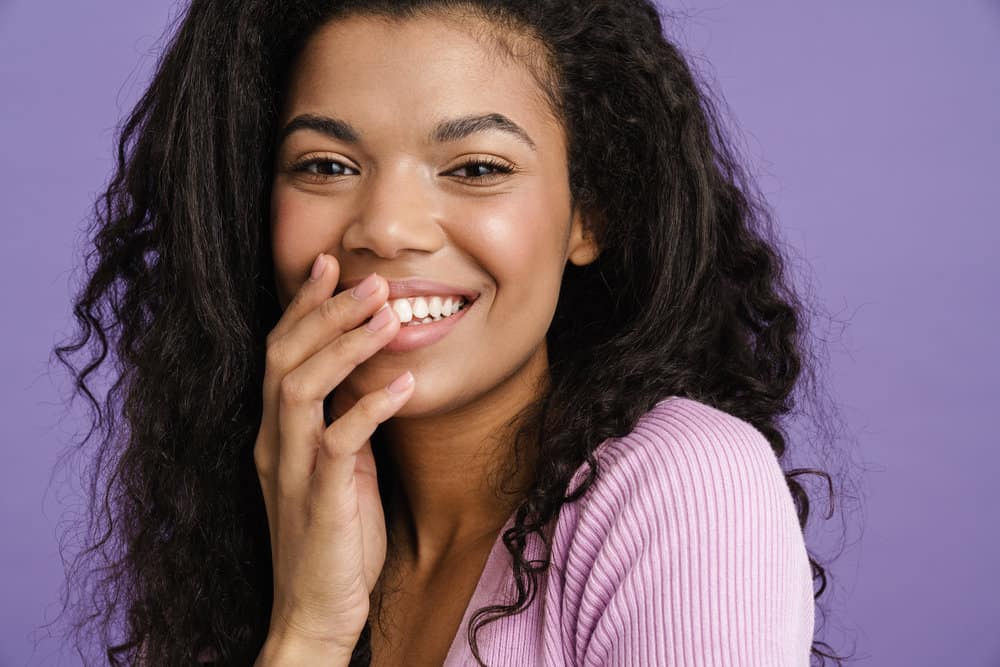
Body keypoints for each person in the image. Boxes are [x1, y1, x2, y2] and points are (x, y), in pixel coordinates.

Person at [52, 1, 848, 665]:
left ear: (589, 213)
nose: (387, 230)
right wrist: (307, 632)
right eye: (326, 165)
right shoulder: (269, 542)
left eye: (476, 167)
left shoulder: (680, 485)